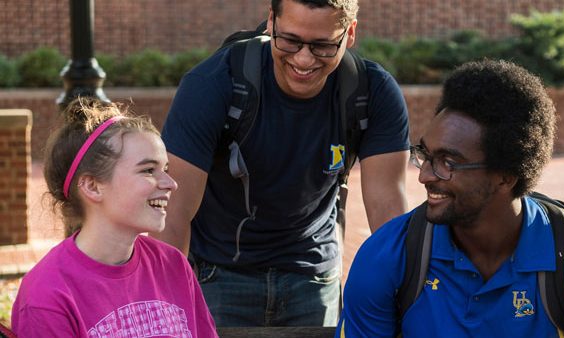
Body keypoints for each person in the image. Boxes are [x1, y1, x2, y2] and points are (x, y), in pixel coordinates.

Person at [154, 0, 410, 327]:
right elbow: (172, 211)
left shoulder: (372, 92)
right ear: (271, 21)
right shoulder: (214, 83)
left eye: (323, 46)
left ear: (350, 34)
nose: (303, 59)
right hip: (219, 274)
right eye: (290, 40)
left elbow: (389, 212)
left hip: (313, 275)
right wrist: (170, 305)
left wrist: (405, 301)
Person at [336, 60, 564, 337]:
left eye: (448, 162)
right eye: (425, 155)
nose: (424, 175)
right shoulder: (389, 255)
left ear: (506, 175)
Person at [11, 98, 218, 337]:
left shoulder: (173, 265)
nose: (170, 184)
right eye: (148, 170)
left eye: (166, 169)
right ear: (92, 186)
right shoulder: (47, 293)